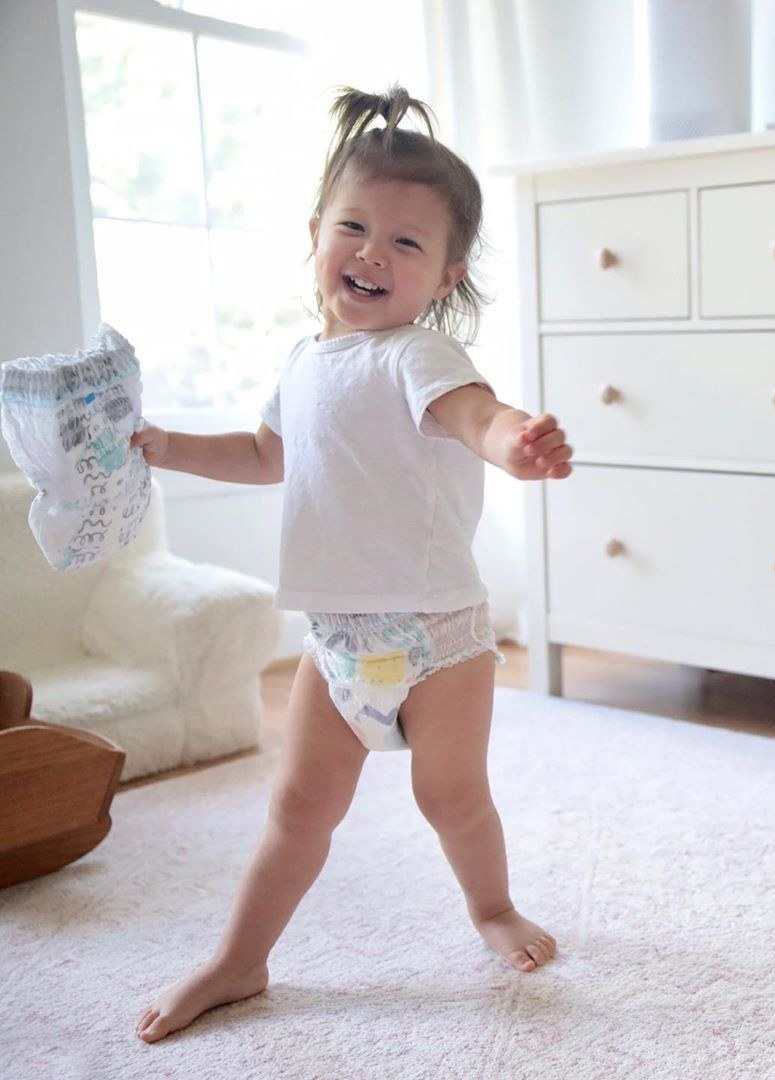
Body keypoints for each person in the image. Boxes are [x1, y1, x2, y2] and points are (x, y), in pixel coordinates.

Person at [133, 85, 572, 1044]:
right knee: (297, 807)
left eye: (407, 244)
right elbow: (263, 457)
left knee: (449, 796)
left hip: (435, 636)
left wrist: (514, 445)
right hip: (337, 641)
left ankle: (492, 909)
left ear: (446, 276)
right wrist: (164, 445)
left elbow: (477, 415)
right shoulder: (302, 362)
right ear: (316, 232)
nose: (374, 252)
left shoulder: (419, 355)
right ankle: (239, 959)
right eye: (356, 226)